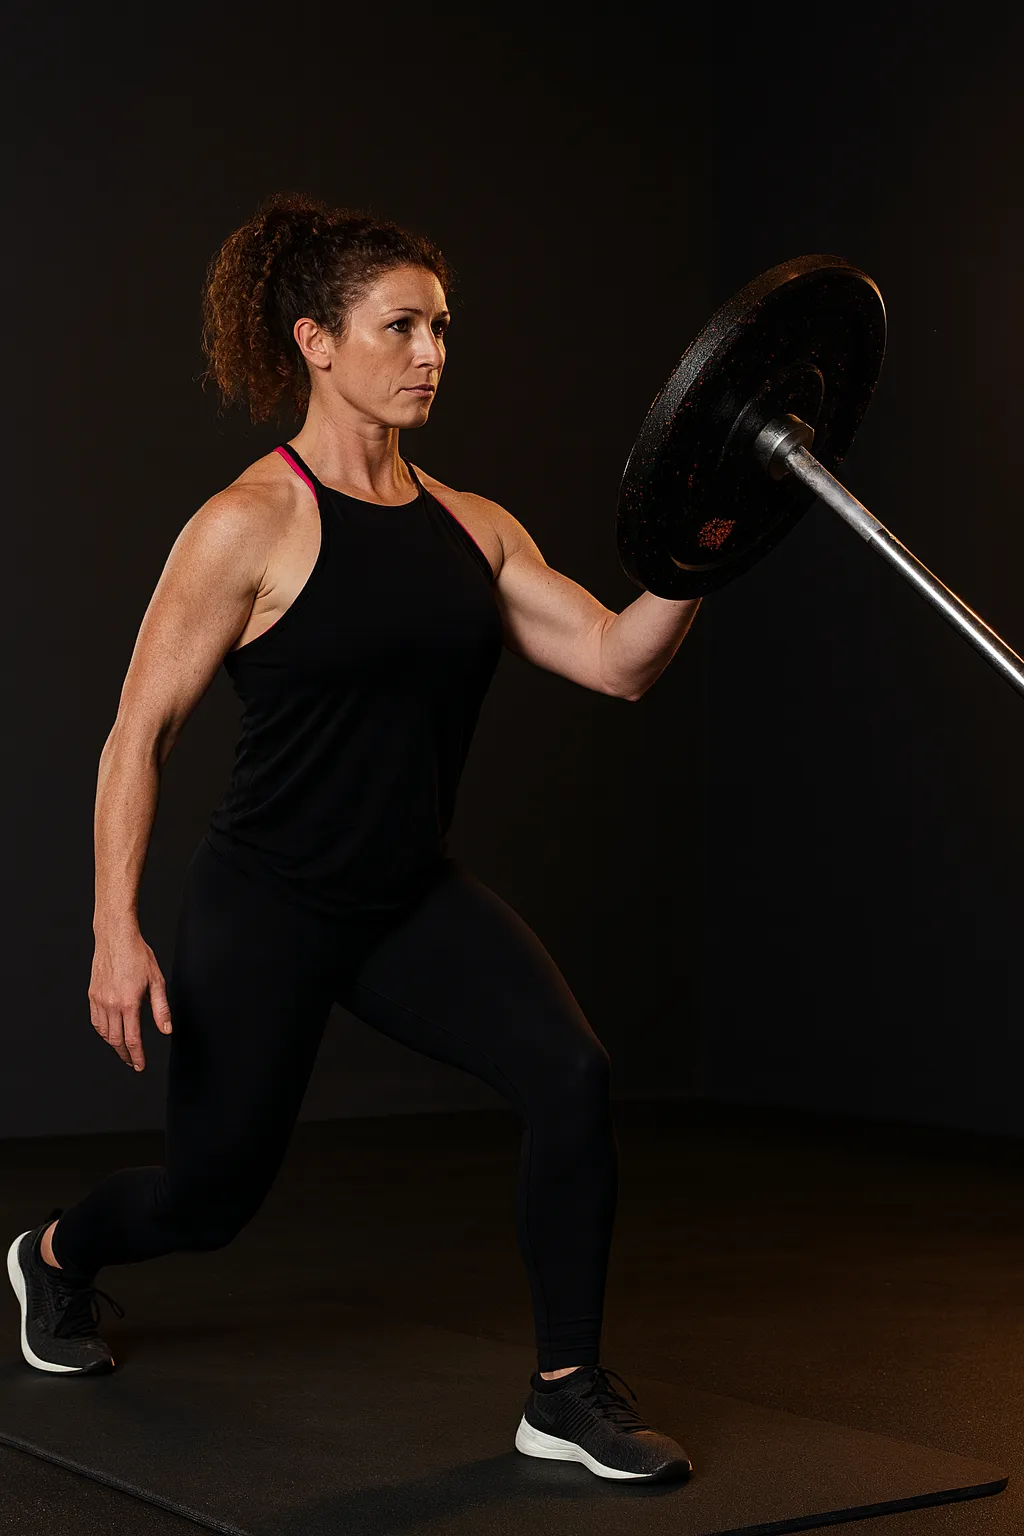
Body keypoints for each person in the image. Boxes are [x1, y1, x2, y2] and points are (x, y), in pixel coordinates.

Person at [6, 192, 700, 1484]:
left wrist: (701, 560)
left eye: (443, 327)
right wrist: (116, 927)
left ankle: (565, 1392)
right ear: (316, 340)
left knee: (571, 1075)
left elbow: (618, 662)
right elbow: (134, 735)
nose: (432, 353)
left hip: (406, 899)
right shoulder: (245, 525)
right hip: (266, 907)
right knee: (210, 1200)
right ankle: (55, 1256)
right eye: (401, 327)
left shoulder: (474, 529)